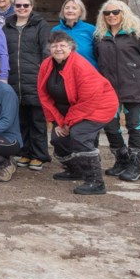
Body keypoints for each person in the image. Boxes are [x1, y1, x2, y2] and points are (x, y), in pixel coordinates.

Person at [38, 31, 119, 195]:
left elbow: (88, 99)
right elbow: (43, 95)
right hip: (70, 109)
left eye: (62, 45)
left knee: (79, 135)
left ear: (71, 47)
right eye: (54, 45)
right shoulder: (47, 64)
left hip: (99, 105)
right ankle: (75, 170)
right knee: (57, 138)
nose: (58, 48)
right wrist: (59, 122)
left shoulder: (80, 65)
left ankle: (96, 181)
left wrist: (68, 123)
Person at [95, 0, 140, 182]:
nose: (111, 16)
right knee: (110, 125)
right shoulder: (100, 36)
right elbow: (99, 62)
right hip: (109, 90)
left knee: (134, 125)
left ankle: (134, 167)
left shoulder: (138, 33)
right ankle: (122, 161)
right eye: (107, 13)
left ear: (123, 13)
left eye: (115, 12)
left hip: (134, 89)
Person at [3, 0, 51, 171]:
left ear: (31, 7)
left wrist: (43, 71)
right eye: (18, 5)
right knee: (21, 119)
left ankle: (39, 155)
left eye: (25, 5)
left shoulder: (40, 25)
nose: (21, 9)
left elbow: (46, 50)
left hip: (34, 77)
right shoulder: (7, 26)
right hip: (14, 78)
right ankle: (24, 152)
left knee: (37, 119)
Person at [52, 0, 97, 68]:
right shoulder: (56, 30)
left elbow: (99, 52)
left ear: (81, 12)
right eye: (67, 8)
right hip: (64, 70)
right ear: (63, 11)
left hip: (88, 70)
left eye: (74, 8)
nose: (70, 10)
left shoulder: (91, 29)